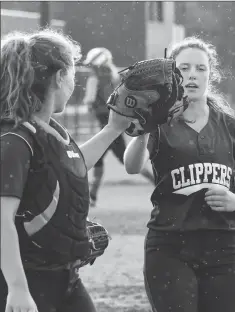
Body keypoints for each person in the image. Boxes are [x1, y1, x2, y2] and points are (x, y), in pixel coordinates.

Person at [123, 36, 235, 312]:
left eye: (201, 68)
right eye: (184, 68)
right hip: (169, 246)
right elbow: (132, 166)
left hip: (223, 248)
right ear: (172, 75)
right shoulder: (160, 123)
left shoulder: (233, 128)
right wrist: (145, 129)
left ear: (211, 75)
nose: (192, 75)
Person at [0, 29, 133, 312]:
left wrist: (114, 129)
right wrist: (17, 289)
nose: (74, 81)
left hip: (64, 278)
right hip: (28, 281)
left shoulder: (48, 130)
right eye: (72, 73)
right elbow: (2, 221)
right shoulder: (15, 139)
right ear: (60, 77)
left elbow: (71, 165)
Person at [82, 47, 130, 207]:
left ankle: (157, 182)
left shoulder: (94, 78)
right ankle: (92, 196)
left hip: (106, 126)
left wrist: (89, 103)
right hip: (114, 122)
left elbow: (89, 100)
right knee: (101, 160)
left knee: (125, 160)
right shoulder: (114, 76)